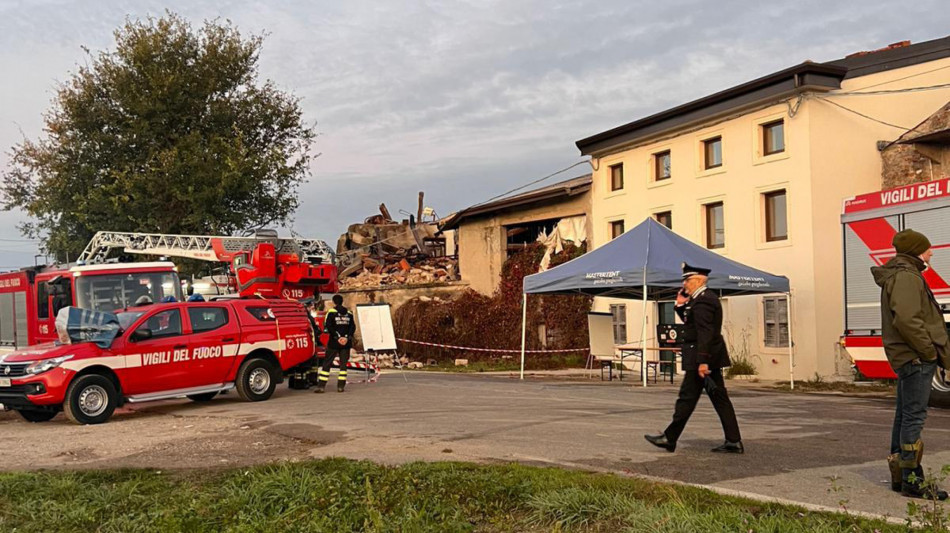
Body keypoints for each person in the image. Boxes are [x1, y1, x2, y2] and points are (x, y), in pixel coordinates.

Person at [873, 229, 950, 500]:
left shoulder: (904, 273)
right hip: (916, 357)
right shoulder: (907, 276)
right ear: (917, 250)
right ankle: (912, 480)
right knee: (914, 418)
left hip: (911, 356)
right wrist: (929, 352)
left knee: (904, 414)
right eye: (928, 248)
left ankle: (900, 476)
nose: (932, 252)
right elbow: (907, 320)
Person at [644, 263, 743, 454]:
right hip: (705, 356)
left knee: (687, 399)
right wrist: (680, 305)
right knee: (718, 399)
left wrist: (703, 361)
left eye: (688, 280)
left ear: (698, 280)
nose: (685, 283)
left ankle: (669, 438)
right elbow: (692, 322)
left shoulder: (704, 300)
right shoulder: (700, 299)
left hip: (701, 357)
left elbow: (705, 333)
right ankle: (733, 440)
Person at [315, 294, 355, 393]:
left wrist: (337, 337)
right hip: (346, 343)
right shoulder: (349, 313)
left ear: (334, 302)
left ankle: (321, 386)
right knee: (343, 365)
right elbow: (352, 327)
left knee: (327, 363)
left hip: (333, 342)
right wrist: (346, 337)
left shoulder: (331, 313)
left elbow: (327, 326)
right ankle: (341, 386)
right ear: (342, 301)